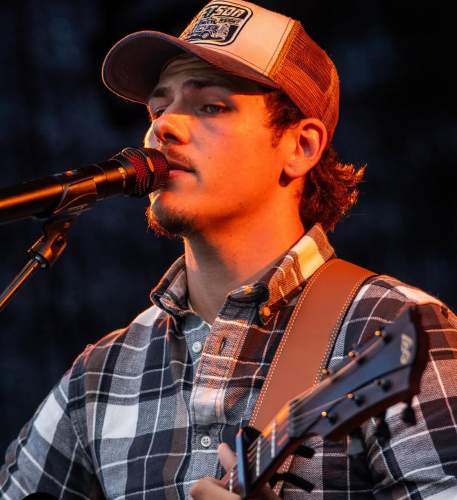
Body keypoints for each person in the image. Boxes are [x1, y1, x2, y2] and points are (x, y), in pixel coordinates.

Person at [1, 1, 456, 498]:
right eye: (158, 109)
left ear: (301, 146)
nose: (162, 128)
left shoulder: (394, 328)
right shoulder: (101, 374)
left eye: (210, 106)